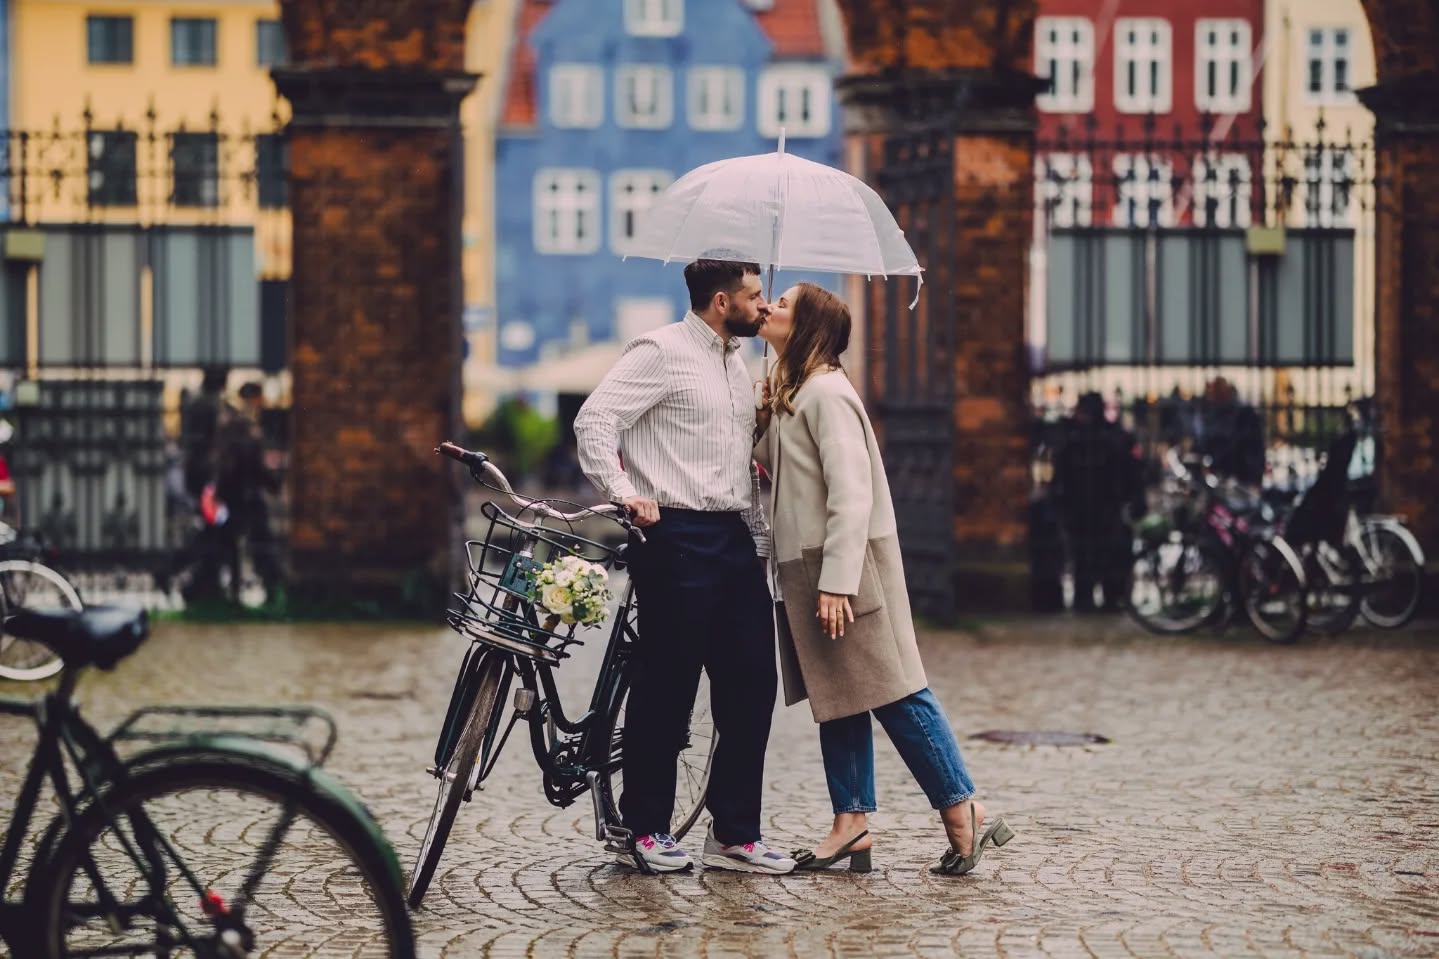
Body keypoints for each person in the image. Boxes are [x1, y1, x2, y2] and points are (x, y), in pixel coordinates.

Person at [753, 282, 1015, 876]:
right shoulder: (799, 394)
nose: (768, 308)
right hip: (809, 564)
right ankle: (852, 823)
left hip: (841, 566)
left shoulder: (827, 394)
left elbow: (852, 492)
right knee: (838, 697)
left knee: (896, 691)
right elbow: (778, 466)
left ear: (808, 328)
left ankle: (963, 811)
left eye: (783, 305)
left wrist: (839, 581)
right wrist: (766, 407)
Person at [574, 258, 795, 875]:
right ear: (722, 301)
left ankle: (733, 835)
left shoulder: (737, 362)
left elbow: (730, 458)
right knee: (668, 686)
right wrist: (623, 491)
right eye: (755, 296)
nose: (763, 305)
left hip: (732, 537)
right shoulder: (660, 350)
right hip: (671, 532)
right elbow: (595, 419)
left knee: (752, 682)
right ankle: (646, 828)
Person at [1052, 392, 1143, 612]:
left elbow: (1060, 476)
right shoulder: (1112, 436)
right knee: (1098, 554)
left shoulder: (1075, 438)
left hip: (1095, 506)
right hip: (1097, 506)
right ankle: (1106, 597)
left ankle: (1095, 597)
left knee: (1091, 554)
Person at [213, 382, 282, 599]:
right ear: (253, 398)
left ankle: (236, 590)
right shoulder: (244, 425)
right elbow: (250, 460)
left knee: (232, 542)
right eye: (259, 399)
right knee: (257, 541)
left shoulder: (237, 423)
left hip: (235, 492)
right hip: (245, 492)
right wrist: (271, 482)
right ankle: (270, 587)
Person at [1194, 377, 1264, 487]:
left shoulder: (1241, 414)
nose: (1211, 397)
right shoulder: (1223, 413)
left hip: (1238, 475)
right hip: (1234, 475)